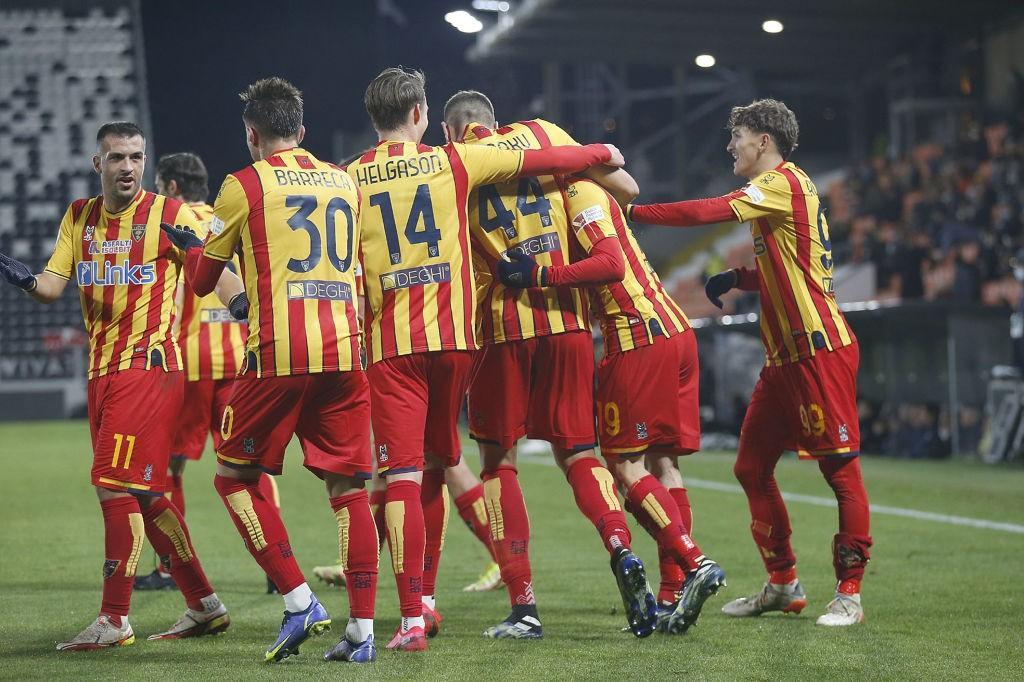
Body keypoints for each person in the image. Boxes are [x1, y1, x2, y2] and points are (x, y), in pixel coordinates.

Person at [346, 66, 625, 651]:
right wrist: (600, 149)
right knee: (450, 460)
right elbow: (544, 161)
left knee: (410, 473)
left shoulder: (351, 179)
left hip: (396, 344)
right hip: (457, 342)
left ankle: (417, 610)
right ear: (420, 116)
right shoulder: (456, 162)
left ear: (375, 120)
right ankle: (639, 553)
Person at [628, 99, 872, 627]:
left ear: (763, 140)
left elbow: (704, 212)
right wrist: (739, 278)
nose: (729, 145)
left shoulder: (783, 183)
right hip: (784, 359)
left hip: (817, 353)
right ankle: (783, 583)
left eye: (736, 135)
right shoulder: (778, 198)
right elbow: (795, 271)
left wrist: (631, 213)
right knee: (750, 467)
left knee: (841, 473)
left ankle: (849, 592)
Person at [164, 77, 379, 662]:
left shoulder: (243, 185)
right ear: (303, 131)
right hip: (345, 350)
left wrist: (188, 246)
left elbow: (204, 282)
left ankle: (299, 599)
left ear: (252, 134)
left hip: (279, 355)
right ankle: (362, 631)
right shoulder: (343, 180)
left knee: (233, 477)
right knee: (350, 490)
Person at [0, 122, 233, 650]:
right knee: (147, 494)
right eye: (117, 158)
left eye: (136, 157)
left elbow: (215, 268)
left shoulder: (170, 214)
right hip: (103, 371)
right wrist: (21, 278)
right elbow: (53, 286)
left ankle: (114, 618)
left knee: (111, 483)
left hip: (149, 366)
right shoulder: (80, 217)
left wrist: (239, 303)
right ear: (97, 163)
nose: (128, 167)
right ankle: (204, 604)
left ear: (145, 162)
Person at [442, 90, 658, 639]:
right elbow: (627, 187)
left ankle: (524, 607)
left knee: (497, 461)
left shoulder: (451, 165)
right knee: (580, 453)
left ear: (451, 131)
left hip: (501, 328)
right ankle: (621, 548)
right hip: (567, 323)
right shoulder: (544, 133)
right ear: (494, 119)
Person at [498, 173, 727, 634]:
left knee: (624, 467)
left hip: (636, 337)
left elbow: (610, 265)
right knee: (665, 465)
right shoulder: (588, 194)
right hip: (674, 331)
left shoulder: (580, 193)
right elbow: (631, 188)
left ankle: (696, 562)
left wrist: (542, 275)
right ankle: (670, 594)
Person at [136, 152, 281, 594]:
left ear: (173, 187)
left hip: (191, 364)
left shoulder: (169, 225)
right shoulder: (224, 219)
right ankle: (278, 567)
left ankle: (168, 567)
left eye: (160, 184)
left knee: (169, 464)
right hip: (238, 361)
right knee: (248, 466)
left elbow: (171, 297)